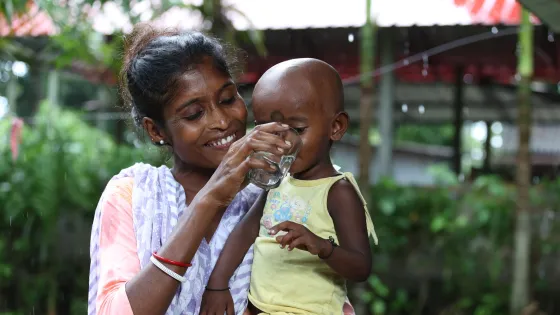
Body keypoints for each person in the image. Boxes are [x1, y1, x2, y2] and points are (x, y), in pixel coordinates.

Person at [87, 24, 357, 315]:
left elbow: (317, 296)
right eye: (194, 114)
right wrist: (211, 197)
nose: (221, 120)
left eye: (228, 98)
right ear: (156, 131)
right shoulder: (132, 194)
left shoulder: (278, 192)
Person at [200, 58, 378, 315]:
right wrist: (217, 286)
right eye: (269, 131)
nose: (282, 144)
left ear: (336, 127)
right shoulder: (277, 181)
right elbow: (245, 232)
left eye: (296, 129)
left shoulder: (338, 192)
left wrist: (322, 246)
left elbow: (361, 267)